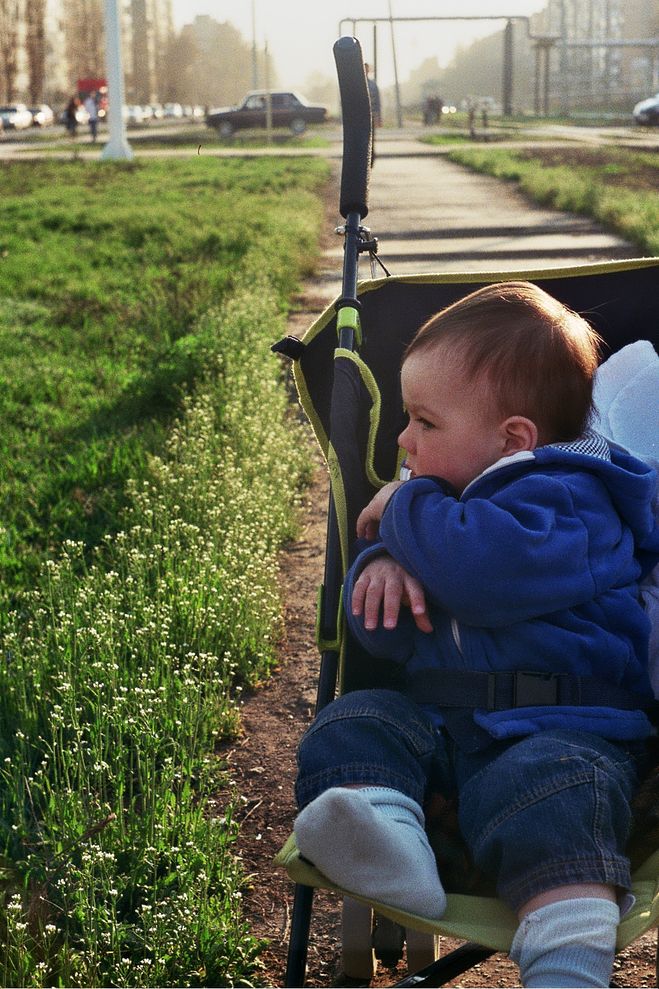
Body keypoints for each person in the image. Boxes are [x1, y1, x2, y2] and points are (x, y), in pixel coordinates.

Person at [293, 282, 659, 988]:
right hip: (439, 726)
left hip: (560, 727)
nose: (402, 440)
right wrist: (383, 574)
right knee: (355, 720)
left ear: (512, 439)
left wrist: (406, 503)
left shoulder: (572, 499)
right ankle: (386, 838)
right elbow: (396, 638)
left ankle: (564, 962)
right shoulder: (450, 514)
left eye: (424, 422)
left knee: (553, 795)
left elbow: (484, 570)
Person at [364, 62, 381, 127]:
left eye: (366, 69)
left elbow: (377, 101)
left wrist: (378, 117)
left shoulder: (373, 85)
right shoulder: (356, 85)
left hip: (372, 114)